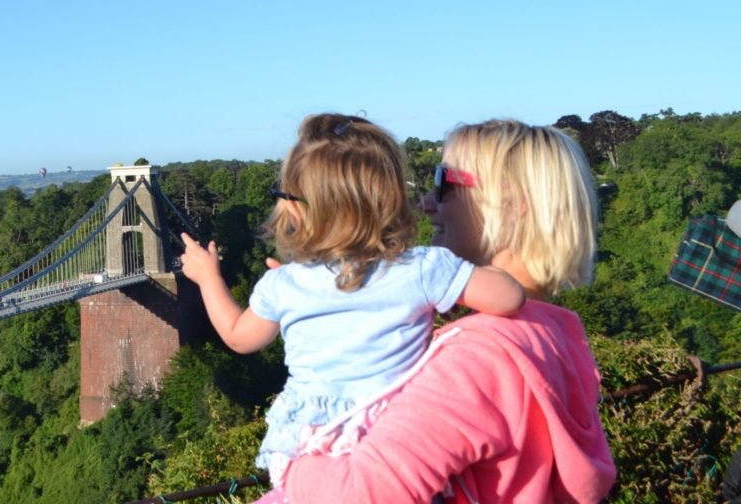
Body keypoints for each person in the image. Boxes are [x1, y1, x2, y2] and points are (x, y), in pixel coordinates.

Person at [272, 119, 617, 503]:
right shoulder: (553, 331)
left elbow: (357, 495)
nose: (425, 202)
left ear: (513, 202)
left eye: (444, 182)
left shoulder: (480, 357)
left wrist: (294, 459)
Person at [179, 114, 526, 484]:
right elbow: (510, 298)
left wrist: (208, 279)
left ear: (294, 208)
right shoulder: (422, 268)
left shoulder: (282, 285)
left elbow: (237, 336)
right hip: (398, 439)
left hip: (309, 446)